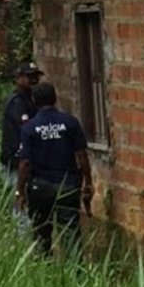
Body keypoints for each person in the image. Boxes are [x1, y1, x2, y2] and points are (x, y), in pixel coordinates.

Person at [16, 82, 93, 257]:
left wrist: (20, 191)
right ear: (55, 98)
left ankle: (46, 275)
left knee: (41, 234)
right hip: (68, 187)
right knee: (71, 235)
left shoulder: (29, 128)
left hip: (40, 189)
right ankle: (76, 276)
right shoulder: (70, 123)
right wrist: (88, 183)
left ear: (34, 100)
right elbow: (82, 157)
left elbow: (25, 164)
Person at [1, 60, 42, 191]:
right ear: (18, 78)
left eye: (36, 76)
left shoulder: (32, 99)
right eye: (30, 77)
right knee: (18, 203)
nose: (34, 80)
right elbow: (26, 128)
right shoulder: (17, 102)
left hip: (28, 162)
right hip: (15, 163)